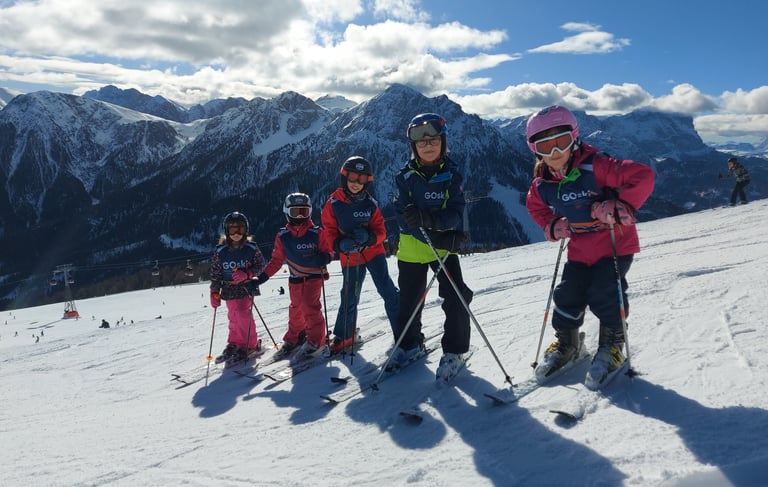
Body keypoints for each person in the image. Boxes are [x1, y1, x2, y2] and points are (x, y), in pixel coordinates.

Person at [524, 105, 655, 388]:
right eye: (544, 146)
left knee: (605, 291)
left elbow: (643, 176)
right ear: (534, 149)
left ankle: (613, 344)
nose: (554, 152)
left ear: (574, 137)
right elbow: (533, 206)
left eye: (561, 142)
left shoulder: (596, 166)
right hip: (580, 250)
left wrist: (620, 206)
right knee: (567, 293)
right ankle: (568, 343)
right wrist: (551, 224)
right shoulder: (542, 184)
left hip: (614, 245)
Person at [392, 113, 473, 382]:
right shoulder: (404, 177)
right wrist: (415, 221)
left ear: (443, 142)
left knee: (456, 297)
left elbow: (456, 209)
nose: (428, 145)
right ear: (413, 147)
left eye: (434, 140)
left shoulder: (452, 174)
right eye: (421, 142)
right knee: (409, 301)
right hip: (413, 248)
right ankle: (409, 344)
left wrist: (433, 223)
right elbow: (402, 213)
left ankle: (455, 350)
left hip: (443, 247)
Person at [321, 156, 400, 355]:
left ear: (368, 182)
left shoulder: (370, 204)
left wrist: (371, 237)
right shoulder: (333, 203)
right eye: (353, 178)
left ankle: (404, 331)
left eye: (362, 179)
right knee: (349, 295)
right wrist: (339, 244)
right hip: (350, 256)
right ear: (344, 177)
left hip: (374, 254)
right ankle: (344, 334)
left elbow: (382, 231)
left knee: (387, 289)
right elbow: (328, 231)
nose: (357, 183)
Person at [250, 193, 334, 359]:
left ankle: (316, 340)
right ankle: (296, 337)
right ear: (287, 212)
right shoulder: (283, 236)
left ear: (309, 212)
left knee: (310, 307)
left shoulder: (316, 232)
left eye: (304, 211)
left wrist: (325, 257)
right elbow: (276, 261)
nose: (300, 216)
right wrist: (261, 278)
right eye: (296, 212)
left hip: (313, 277)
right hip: (295, 279)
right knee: (295, 309)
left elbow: (329, 250)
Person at [209, 211, 266, 363]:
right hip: (228, 288)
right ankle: (235, 342)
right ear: (226, 231)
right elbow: (216, 272)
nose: (236, 233)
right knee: (233, 316)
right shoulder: (220, 251)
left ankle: (250, 344)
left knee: (243, 314)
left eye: (240, 229)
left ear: (245, 230)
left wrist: (247, 274)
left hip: (245, 287)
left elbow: (261, 266)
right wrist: (214, 291)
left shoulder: (251, 248)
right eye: (232, 229)